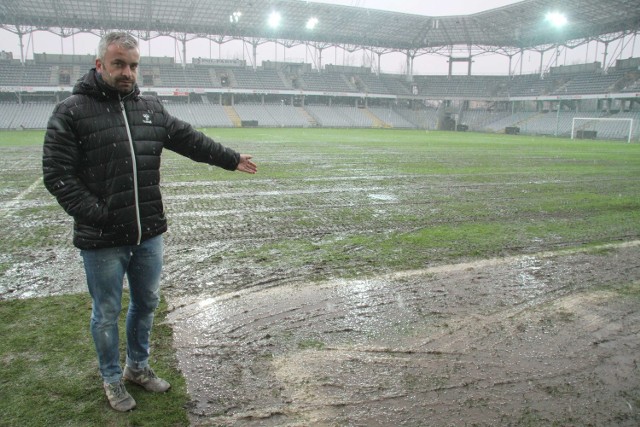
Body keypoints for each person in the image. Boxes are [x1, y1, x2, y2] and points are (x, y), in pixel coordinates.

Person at [42, 32, 257, 412]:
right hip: (102, 238)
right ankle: (111, 378)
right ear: (99, 65)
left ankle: (137, 368)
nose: (128, 72)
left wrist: (230, 157)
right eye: (119, 64)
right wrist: (97, 214)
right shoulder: (71, 111)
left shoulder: (150, 108)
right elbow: (57, 175)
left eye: (133, 65)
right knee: (106, 313)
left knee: (146, 303)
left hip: (148, 233)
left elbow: (190, 140)